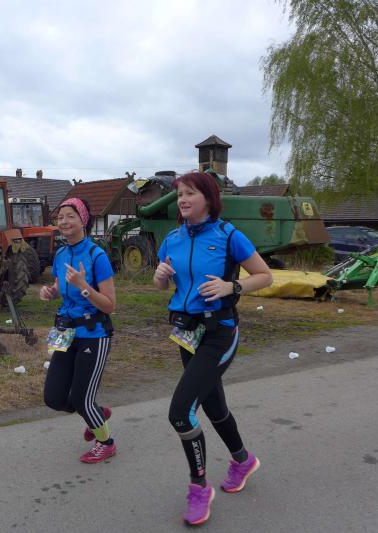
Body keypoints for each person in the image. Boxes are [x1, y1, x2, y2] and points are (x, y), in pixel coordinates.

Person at [153, 171, 272, 526]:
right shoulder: (171, 239)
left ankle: (199, 488)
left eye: (190, 193)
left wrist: (232, 287)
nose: (182, 199)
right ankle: (243, 460)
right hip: (187, 333)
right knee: (213, 405)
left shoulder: (228, 235)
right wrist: (160, 279)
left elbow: (264, 275)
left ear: (208, 198)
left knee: (180, 413)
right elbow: (164, 284)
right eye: (180, 194)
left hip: (220, 332)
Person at [41, 197, 118, 464]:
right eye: (60, 216)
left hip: (94, 333)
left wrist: (84, 286)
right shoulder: (61, 254)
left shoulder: (97, 256)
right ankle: (97, 413)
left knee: (82, 398)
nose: (63, 221)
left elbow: (109, 305)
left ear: (83, 220)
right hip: (66, 333)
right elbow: (60, 287)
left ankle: (105, 442)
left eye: (70, 216)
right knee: (54, 398)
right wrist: (50, 292)